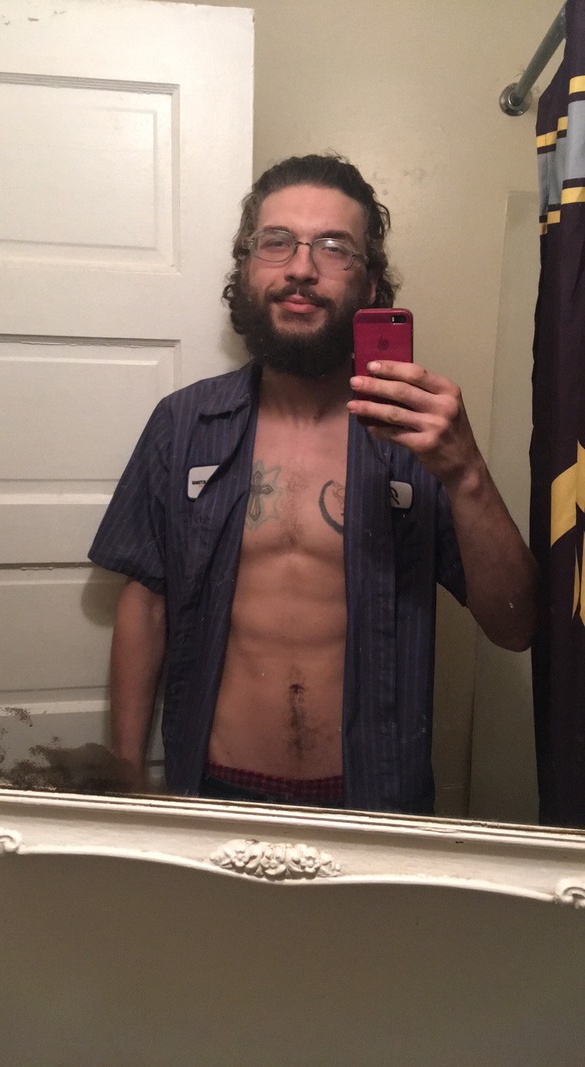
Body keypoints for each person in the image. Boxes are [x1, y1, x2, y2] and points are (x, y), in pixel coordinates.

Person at [88, 153, 539, 813]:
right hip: (215, 795)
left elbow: (515, 625)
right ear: (246, 268)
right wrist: (125, 776)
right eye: (277, 242)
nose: (302, 267)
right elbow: (146, 602)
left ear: (371, 284)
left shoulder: (420, 436)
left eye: (334, 247)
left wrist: (466, 470)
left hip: (375, 803)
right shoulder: (183, 424)